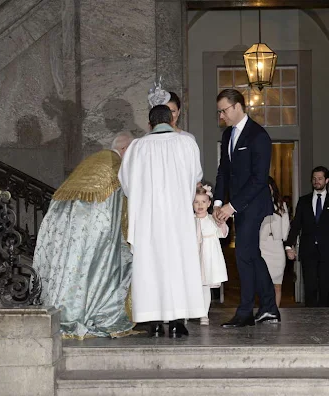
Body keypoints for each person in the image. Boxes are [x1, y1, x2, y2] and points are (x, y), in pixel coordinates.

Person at [33, 131, 135, 339]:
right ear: (125, 149)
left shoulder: (94, 159)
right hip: (94, 233)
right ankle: (94, 313)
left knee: (71, 269)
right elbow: (117, 208)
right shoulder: (116, 164)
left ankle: (64, 311)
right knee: (96, 269)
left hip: (68, 230)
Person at [119, 104, 205, 338]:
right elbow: (196, 175)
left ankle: (154, 322)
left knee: (151, 267)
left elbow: (126, 183)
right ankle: (177, 322)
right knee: (178, 266)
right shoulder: (186, 143)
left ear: (150, 124)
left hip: (149, 218)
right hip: (177, 217)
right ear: (171, 120)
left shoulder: (138, 147)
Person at [213, 88, 280, 328]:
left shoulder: (258, 135)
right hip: (236, 206)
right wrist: (218, 203)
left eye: (223, 110)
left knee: (244, 255)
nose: (221, 116)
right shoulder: (227, 136)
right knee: (250, 255)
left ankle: (245, 312)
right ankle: (269, 308)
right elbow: (223, 173)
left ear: (238, 106)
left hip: (253, 205)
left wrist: (233, 206)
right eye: (219, 111)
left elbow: (259, 179)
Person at [285, 166, 329, 307]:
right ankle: (310, 320)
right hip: (307, 251)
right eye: (314, 178)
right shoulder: (303, 201)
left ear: (327, 180)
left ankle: (324, 320)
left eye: (320, 178)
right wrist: (289, 246)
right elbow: (296, 225)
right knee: (310, 287)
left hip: (326, 251)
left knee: (325, 287)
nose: (316, 181)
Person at [194, 183, 229, 325]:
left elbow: (223, 234)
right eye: (196, 202)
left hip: (208, 257)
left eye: (203, 202)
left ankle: (204, 313)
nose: (200, 205)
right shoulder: (189, 220)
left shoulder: (212, 219)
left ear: (209, 203)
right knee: (191, 285)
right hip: (193, 257)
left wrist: (221, 223)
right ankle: (187, 312)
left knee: (205, 286)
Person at [260, 177, 290, 307]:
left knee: (277, 285)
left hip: (277, 247)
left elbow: (287, 227)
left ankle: (275, 311)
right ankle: (265, 310)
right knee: (263, 284)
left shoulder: (281, 205)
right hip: (262, 246)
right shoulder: (256, 205)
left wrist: (289, 246)